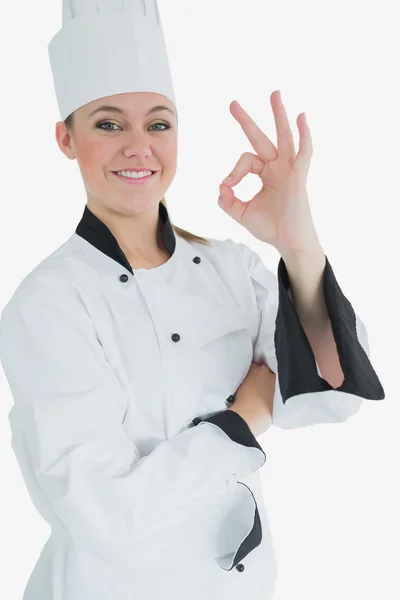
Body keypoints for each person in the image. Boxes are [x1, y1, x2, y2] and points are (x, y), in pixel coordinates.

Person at [0, 1, 385, 600]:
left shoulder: (233, 270)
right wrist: (245, 419)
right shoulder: (48, 305)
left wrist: (298, 242)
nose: (138, 147)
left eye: (158, 124)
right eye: (108, 124)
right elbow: (107, 518)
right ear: (65, 138)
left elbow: (329, 399)